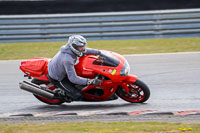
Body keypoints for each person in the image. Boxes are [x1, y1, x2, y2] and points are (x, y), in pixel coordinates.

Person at [48, 35, 102, 101]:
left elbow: (85, 51)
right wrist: (89, 81)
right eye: (80, 47)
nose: (83, 49)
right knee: (77, 95)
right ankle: (60, 93)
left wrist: (99, 52)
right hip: (58, 78)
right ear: (74, 47)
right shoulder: (68, 59)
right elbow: (73, 78)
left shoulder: (72, 49)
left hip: (60, 68)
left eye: (83, 46)